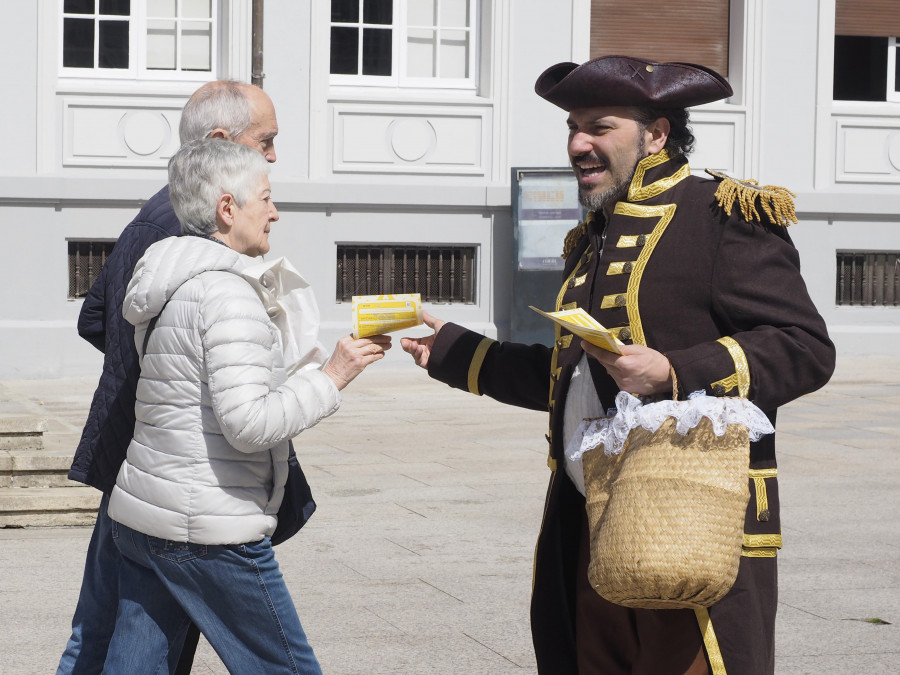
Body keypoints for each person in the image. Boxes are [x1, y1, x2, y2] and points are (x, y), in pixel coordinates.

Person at [401, 55, 836, 675]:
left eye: (599, 127)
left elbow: (805, 347)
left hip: (691, 519)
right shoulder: (594, 235)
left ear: (656, 133)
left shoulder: (724, 216)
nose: (579, 144)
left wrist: (675, 371)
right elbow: (575, 378)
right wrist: (456, 351)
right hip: (589, 521)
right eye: (573, 128)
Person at [100, 138, 390, 673]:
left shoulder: (170, 280)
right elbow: (249, 425)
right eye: (266, 198)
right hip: (210, 528)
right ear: (227, 208)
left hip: (147, 516)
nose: (275, 212)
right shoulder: (228, 294)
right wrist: (333, 375)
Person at [58, 80, 280, 675]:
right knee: (108, 635)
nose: (275, 159)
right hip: (168, 469)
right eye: (266, 143)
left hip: (146, 465)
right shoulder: (182, 232)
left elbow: (96, 317)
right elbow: (244, 414)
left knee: (130, 636)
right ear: (220, 143)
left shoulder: (159, 216)